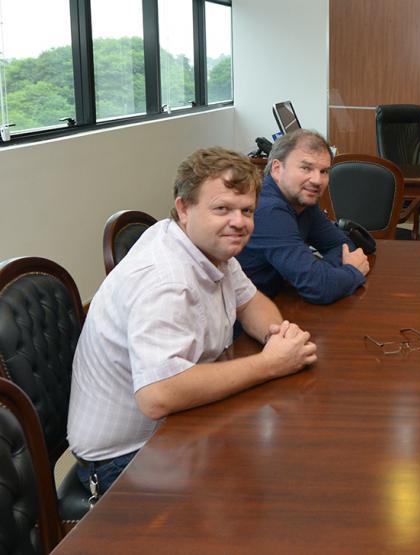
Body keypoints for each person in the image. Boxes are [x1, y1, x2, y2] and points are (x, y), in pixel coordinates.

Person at [68, 147, 318, 498]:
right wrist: (270, 363)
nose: (239, 222)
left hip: (173, 429)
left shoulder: (209, 246)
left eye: (246, 211)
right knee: (279, 482)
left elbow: (251, 302)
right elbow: (158, 395)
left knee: (285, 458)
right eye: (222, 209)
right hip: (124, 459)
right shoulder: (164, 279)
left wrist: (277, 336)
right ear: (184, 208)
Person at [236, 129, 369, 304]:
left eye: (324, 172)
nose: (317, 180)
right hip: (245, 321)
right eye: (306, 168)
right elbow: (319, 287)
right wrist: (351, 270)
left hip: (278, 302)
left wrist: (322, 273)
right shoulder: (267, 210)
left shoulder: (301, 199)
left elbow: (343, 245)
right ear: (277, 169)